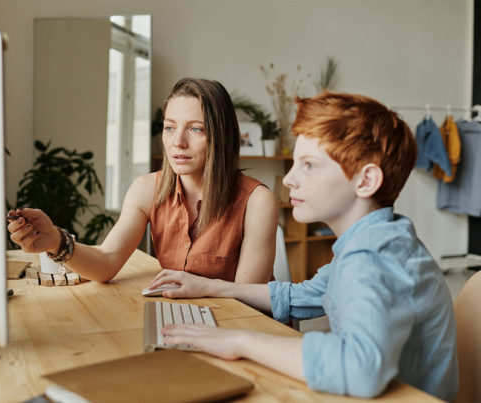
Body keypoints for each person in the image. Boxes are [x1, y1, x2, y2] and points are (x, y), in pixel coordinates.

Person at [150, 92, 458, 400]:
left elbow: (359, 368)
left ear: (366, 181)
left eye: (308, 165)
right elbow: (302, 295)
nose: (289, 180)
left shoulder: (372, 256)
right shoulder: (380, 237)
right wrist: (212, 286)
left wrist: (239, 341)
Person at [7, 77, 278, 284]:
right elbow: (106, 262)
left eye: (196, 129)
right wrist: (55, 240)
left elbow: (248, 301)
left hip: (239, 329)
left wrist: (193, 290)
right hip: (183, 320)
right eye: (170, 127)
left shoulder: (257, 201)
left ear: (222, 136)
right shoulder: (147, 189)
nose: (177, 142)